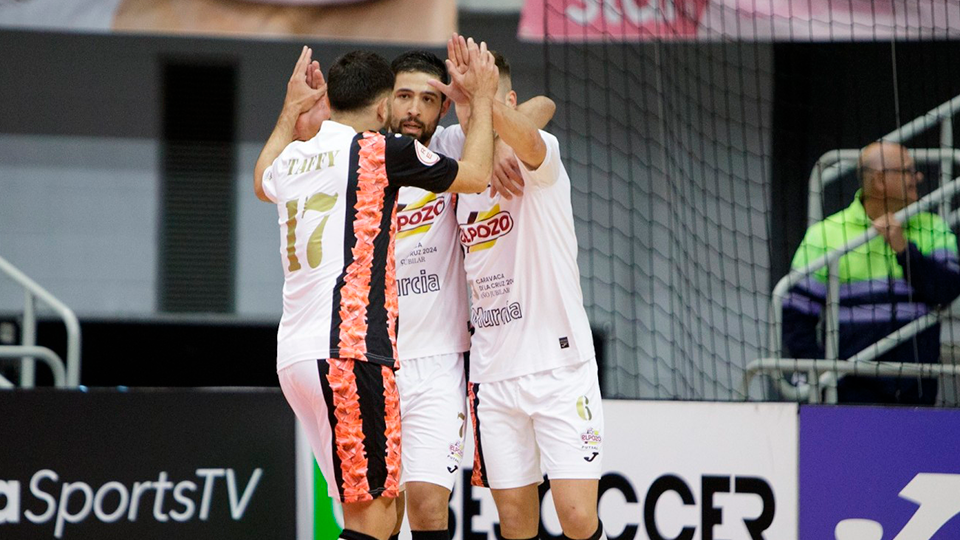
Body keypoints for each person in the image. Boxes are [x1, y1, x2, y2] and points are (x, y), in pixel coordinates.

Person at [252, 44, 499, 540]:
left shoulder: (296, 157)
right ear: (383, 107)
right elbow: (474, 175)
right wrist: (488, 96)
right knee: (374, 522)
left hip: (295, 358)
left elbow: (261, 180)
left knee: (379, 514)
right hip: (348, 350)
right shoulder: (378, 151)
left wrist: (289, 111)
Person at [430, 37, 606, 540]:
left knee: (576, 517)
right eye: (460, 106)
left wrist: (489, 107)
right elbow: (537, 104)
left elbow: (536, 122)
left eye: (479, 103)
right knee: (515, 524)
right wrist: (479, 107)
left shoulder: (538, 156)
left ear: (504, 105)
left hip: (560, 366)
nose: (467, 116)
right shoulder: (459, 166)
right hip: (494, 375)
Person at [385, 50, 557, 540]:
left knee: (428, 507)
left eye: (427, 98)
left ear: (443, 108)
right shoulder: (367, 155)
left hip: (440, 359)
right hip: (376, 357)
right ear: (386, 103)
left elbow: (542, 104)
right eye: (404, 96)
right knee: (381, 511)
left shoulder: (455, 146)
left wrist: (503, 141)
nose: (414, 108)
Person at [783, 141, 960, 404]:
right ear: (880, 180)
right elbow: (795, 316)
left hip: (918, 392)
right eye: (908, 171)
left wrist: (904, 250)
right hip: (847, 396)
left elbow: (946, 292)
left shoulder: (935, 228)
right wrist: (824, 372)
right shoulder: (825, 234)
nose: (918, 177)